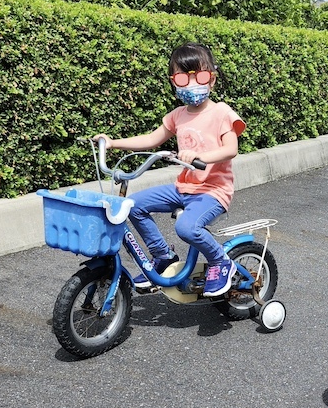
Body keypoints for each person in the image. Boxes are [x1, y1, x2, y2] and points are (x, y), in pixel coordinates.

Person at [94, 42, 245, 297]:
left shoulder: (221, 112)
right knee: (133, 205)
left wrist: (202, 156)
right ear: (174, 82)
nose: (193, 84)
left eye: (201, 76)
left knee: (186, 228)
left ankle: (221, 262)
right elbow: (151, 140)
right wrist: (112, 143)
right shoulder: (177, 115)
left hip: (213, 192)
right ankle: (163, 255)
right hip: (183, 187)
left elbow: (231, 148)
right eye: (183, 78)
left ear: (213, 79)